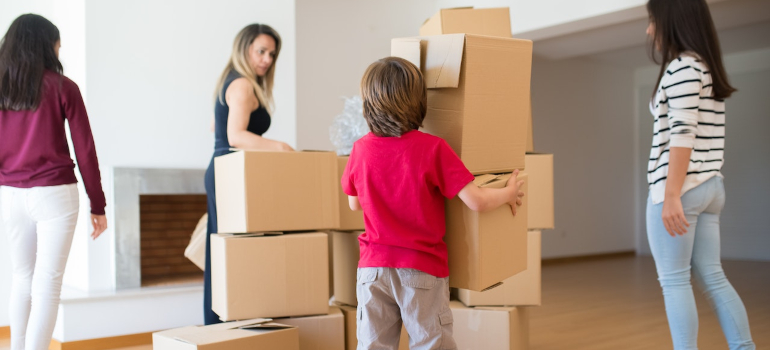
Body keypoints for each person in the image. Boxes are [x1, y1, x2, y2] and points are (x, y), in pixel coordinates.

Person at [341, 56, 525, 350]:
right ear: (418, 102)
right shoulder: (433, 148)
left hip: (373, 269)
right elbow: (476, 201)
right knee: (430, 343)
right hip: (420, 268)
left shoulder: (360, 150)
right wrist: (508, 193)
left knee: (373, 345)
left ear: (369, 104)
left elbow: (354, 203)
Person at [644, 0, 755, 348]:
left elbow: (682, 134)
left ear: (671, 21)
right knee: (713, 276)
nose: (649, 30)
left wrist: (671, 194)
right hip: (710, 186)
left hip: (681, 188)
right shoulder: (704, 67)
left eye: (653, 21)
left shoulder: (682, 67)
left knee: (674, 280)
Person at [0, 14, 108, 350]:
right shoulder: (64, 87)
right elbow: (85, 150)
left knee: (22, 280)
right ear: (46, 45)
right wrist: (98, 204)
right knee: (47, 285)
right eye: (58, 44)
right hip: (55, 194)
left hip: (10, 194)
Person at [203, 23, 292, 325]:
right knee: (229, 255)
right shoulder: (241, 84)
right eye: (261, 51)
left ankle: (224, 326)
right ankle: (223, 328)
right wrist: (280, 148)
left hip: (226, 171)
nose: (267, 59)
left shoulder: (231, 81)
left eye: (271, 54)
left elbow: (218, 128)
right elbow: (235, 136)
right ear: (245, 49)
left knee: (224, 253)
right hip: (228, 174)